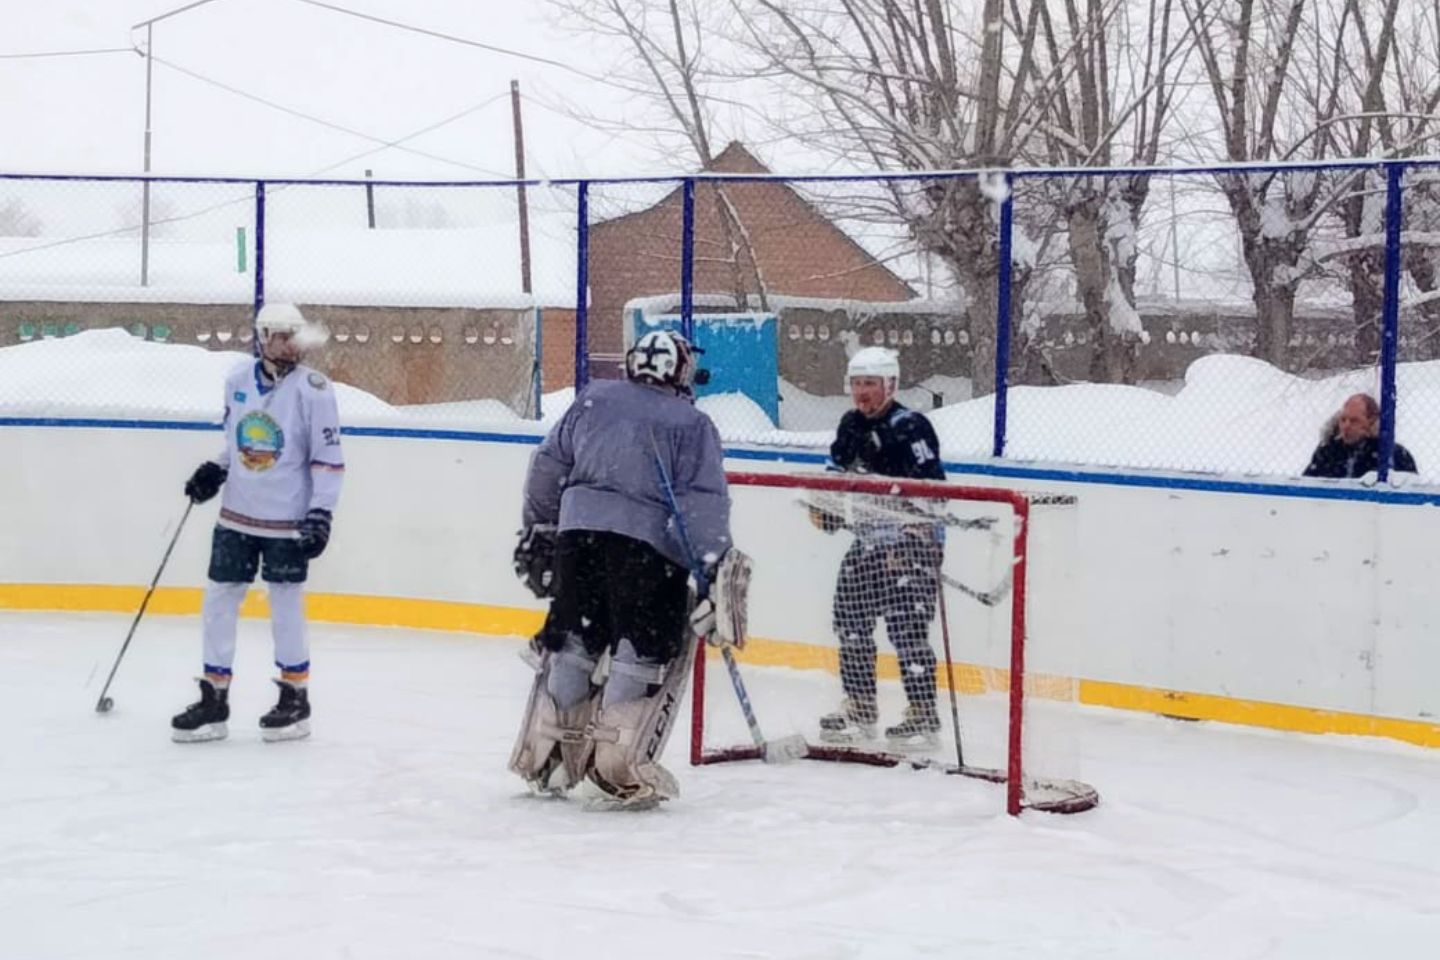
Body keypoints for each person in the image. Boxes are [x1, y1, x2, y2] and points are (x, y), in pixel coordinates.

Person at [508, 329, 739, 807]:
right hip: (647, 553)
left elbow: (547, 467)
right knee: (640, 649)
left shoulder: (593, 399)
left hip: (578, 541)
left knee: (574, 641)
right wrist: (711, 566)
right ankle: (615, 765)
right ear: (680, 370)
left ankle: (549, 751)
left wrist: (540, 529)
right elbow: (702, 504)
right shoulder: (692, 424)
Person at [171, 303, 344, 743]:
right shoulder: (236, 382)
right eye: (279, 335)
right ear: (263, 337)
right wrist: (216, 469)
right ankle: (214, 699)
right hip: (237, 515)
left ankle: (294, 697)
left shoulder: (315, 390)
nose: (288, 343)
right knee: (218, 600)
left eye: (294, 335)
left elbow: (327, 459)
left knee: (285, 605)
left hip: (287, 521)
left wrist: (320, 513)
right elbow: (236, 442)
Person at [811, 346, 946, 748]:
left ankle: (923, 713)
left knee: (907, 629)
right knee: (849, 620)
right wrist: (828, 508)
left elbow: (934, 489)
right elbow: (835, 476)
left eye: (869, 383)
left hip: (912, 544)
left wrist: (912, 537)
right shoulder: (850, 424)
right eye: (855, 383)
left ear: (890, 384)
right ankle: (860, 705)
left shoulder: (911, 426)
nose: (861, 392)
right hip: (870, 541)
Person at [1303, 393, 1418, 479]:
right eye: (1343, 420)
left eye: (1354, 421)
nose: (1346, 426)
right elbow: (1307, 485)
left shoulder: (1393, 455)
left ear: (1372, 422)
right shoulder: (1327, 451)